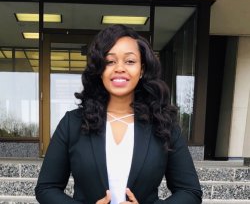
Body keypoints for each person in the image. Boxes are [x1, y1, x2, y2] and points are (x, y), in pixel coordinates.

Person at [35, 24, 202, 204]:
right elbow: (46, 188)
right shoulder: (73, 123)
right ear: (99, 70)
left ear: (142, 69)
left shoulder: (163, 123)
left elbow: (190, 192)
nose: (120, 68)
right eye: (110, 61)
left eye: (130, 61)